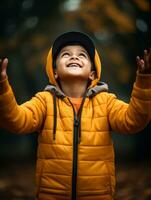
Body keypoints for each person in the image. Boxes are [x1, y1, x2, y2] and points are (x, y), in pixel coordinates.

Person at [0, 31, 151, 200]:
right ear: (54, 71)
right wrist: (2, 88)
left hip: (98, 195)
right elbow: (16, 121)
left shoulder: (107, 102)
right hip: (51, 194)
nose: (74, 57)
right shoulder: (44, 101)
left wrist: (144, 81)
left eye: (82, 55)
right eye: (66, 54)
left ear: (92, 74)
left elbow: (134, 120)